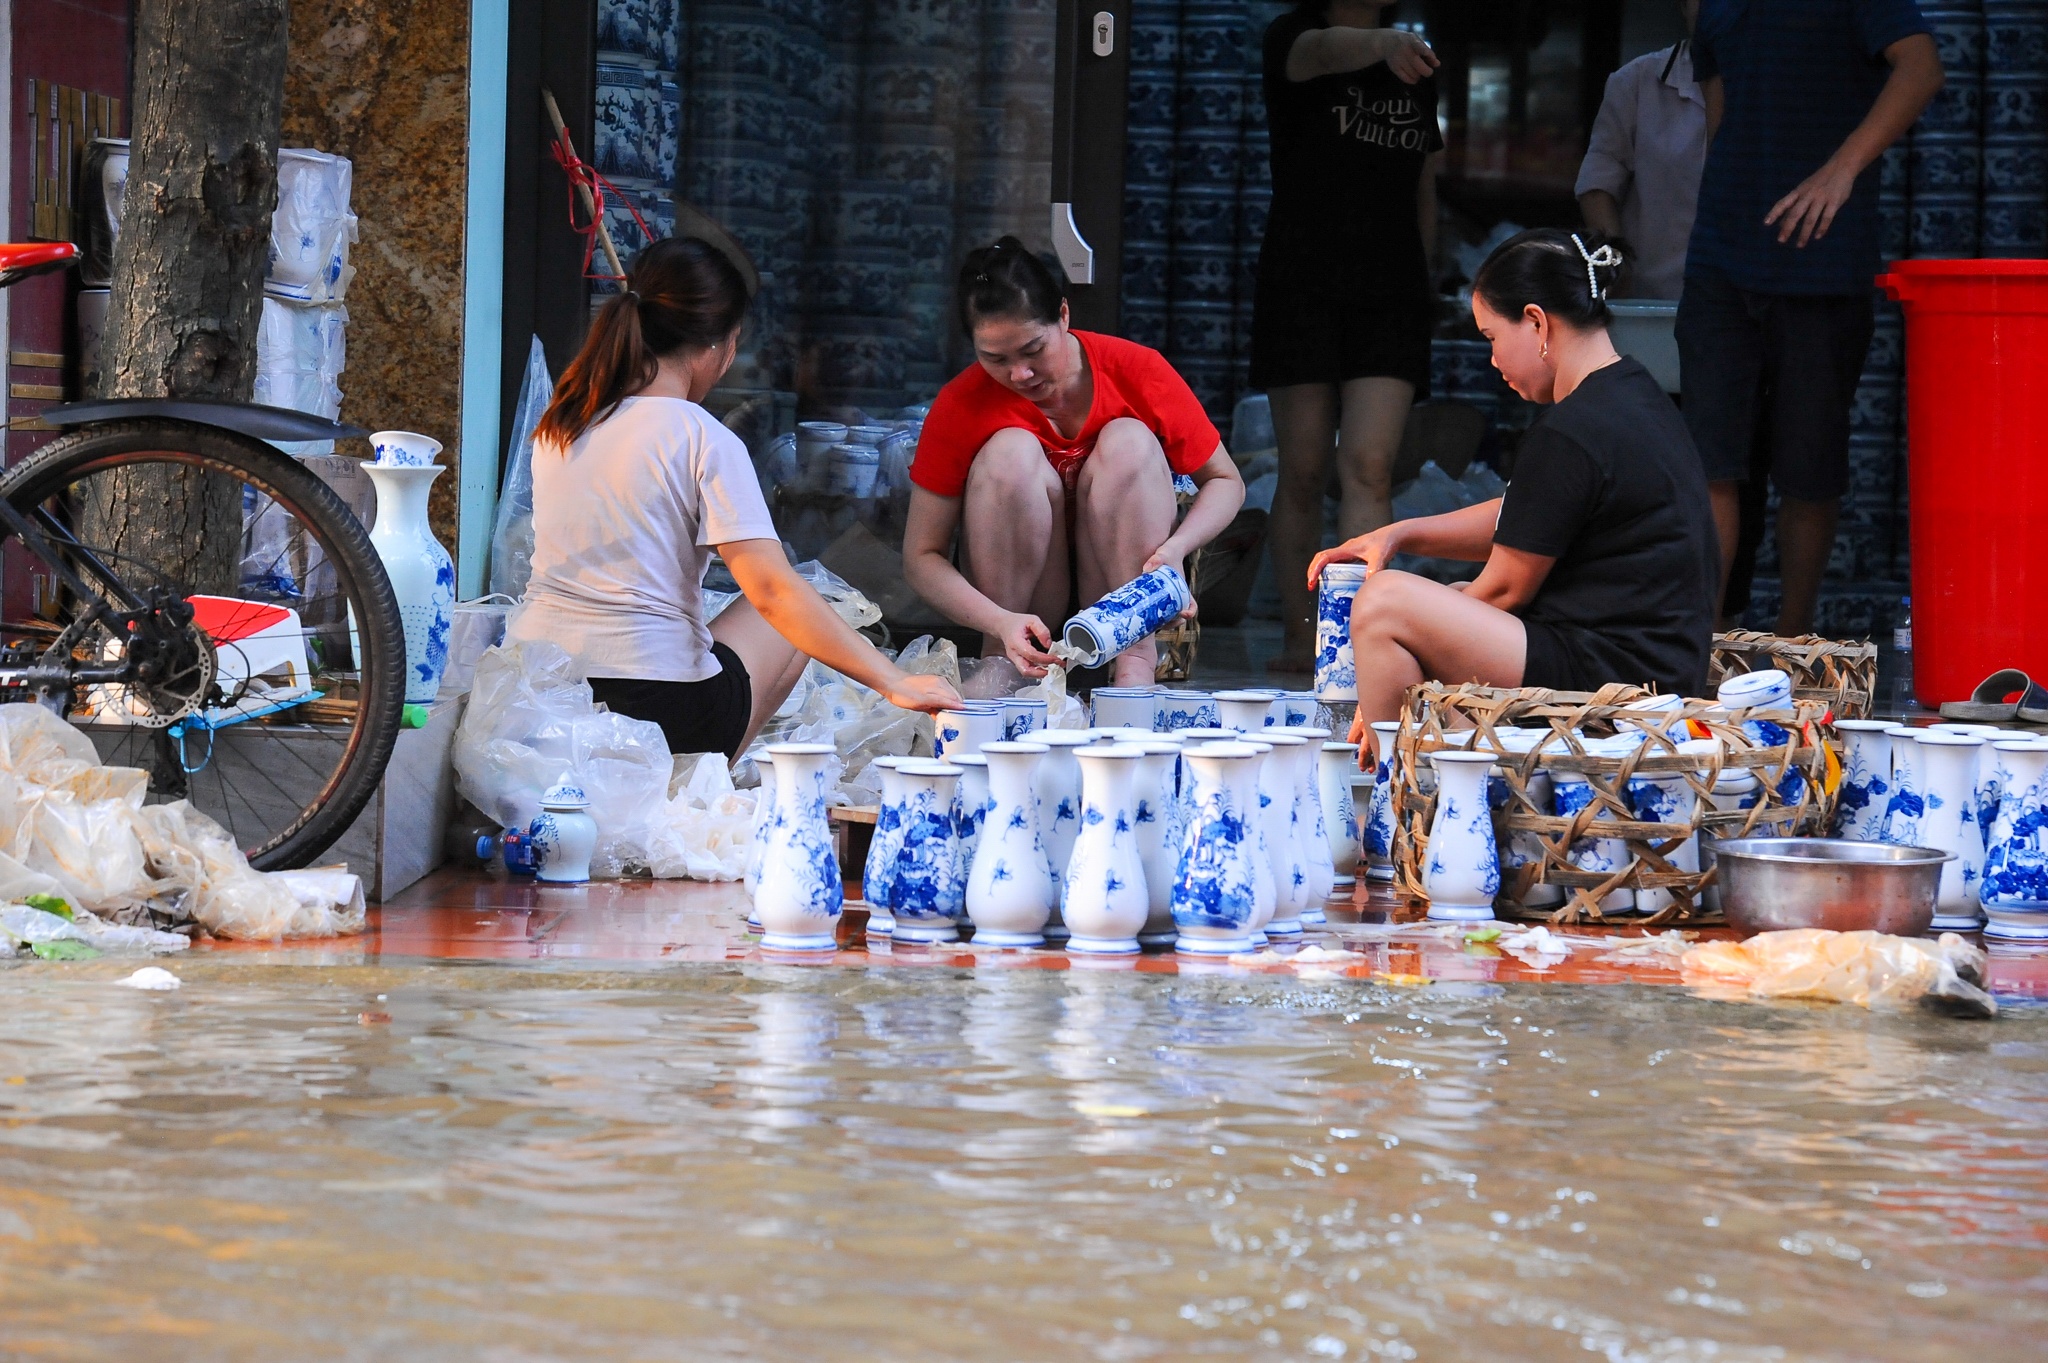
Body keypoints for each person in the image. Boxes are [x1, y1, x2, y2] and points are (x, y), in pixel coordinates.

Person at [506, 237, 961, 760]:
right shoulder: (701, 435)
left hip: (545, 693)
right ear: (719, 346)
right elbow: (772, 591)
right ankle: (697, 784)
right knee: (804, 597)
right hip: (659, 707)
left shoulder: (562, 422)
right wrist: (893, 681)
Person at [1305, 229, 1720, 740]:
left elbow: (1504, 587)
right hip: (1652, 665)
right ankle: (1454, 776)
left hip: (1619, 679)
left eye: (1492, 338)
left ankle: (1396, 778)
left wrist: (1379, 680)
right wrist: (1399, 534)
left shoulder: (1575, 428)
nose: (1494, 360)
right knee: (1446, 600)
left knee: (1385, 604)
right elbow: (1529, 515)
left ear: (1536, 322)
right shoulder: (1632, 395)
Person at [1676, 0, 1941, 635]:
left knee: (1809, 463)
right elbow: (1721, 110)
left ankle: (1797, 642)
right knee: (1708, 461)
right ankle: (1701, 648)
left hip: (1821, 257)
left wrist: (1841, 170)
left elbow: (1922, 67)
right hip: (1721, 251)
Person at [901, 238, 1245, 686]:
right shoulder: (962, 404)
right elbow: (920, 557)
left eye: (1033, 350)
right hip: (1021, 605)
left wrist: (1174, 552)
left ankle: (1135, 666)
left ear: (1063, 315)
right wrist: (1000, 623)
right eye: (995, 359)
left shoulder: (1136, 369)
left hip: (1118, 591)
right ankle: (1007, 665)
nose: (1019, 374)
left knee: (1129, 440)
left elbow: (1225, 481)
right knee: (1009, 453)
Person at [1253, 0, 1443, 675]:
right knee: (1302, 468)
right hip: (1302, 279)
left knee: (1368, 464)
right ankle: (1299, 633)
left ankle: (1355, 641)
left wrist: (1425, 281)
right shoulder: (1293, 36)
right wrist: (1386, 42)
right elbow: (1328, 51)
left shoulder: (1417, 62)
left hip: (1389, 288)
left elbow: (1424, 182)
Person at [1575, 0, 1706, 301]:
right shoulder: (1636, 81)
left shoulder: (1775, 85)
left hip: (1752, 298)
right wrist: (1617, 268)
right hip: (1652, 297)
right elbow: (1597, 187)